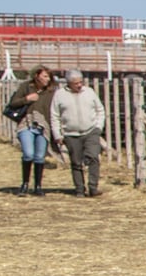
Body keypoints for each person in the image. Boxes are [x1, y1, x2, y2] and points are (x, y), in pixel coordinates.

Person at [50, 69, 105, 197]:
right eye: (76, 83)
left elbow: (100, 110)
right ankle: (79, 189)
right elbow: (55, 116)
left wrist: (98, 127)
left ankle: (93, 187)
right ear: (69, 83)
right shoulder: (59, 95)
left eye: (81, 82)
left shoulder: (89, 92)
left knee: (93, 157)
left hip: (91, 131)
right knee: (76, 161)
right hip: (70, 133)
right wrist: (57, 134)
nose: (79, 85)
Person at [7, 66, 56, 194]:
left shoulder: (52, 92)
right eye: (45, 76)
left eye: (49, 76)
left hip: (43, 125)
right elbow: (13, 103)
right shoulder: (26, 87)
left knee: (40, 156)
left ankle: (38, 186)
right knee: (28, 153)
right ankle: (25, 184)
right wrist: (27, 99)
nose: (47, 79)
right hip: (26, 123)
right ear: (37, 76)